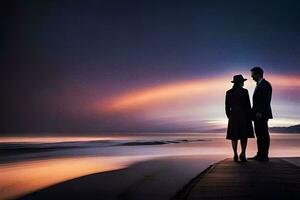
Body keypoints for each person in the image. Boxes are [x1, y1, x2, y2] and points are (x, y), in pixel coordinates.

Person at [225, 74, 255, 162]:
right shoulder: (245, 91)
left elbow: (227, 107)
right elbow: (248, 106)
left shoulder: (229, 92)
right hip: (244, 116)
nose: (243, 83)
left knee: (234, 136)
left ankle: (235, 154)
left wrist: (229, 116)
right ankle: (243, 154)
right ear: (240, 82)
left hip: (233, 116)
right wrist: (250, 116)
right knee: (243, 136)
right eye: (243, 82)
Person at [250, 66, 273, 161]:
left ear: (258, 74)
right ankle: (260, 154)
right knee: (259, 134)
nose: (252, 77)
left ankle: (264, 155)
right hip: (257, 114)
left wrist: (260, 112)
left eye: (253, 75)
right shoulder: (259, 85)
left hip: (261, 114)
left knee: (263, 133)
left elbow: (266, 100)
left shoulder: (266, 85)